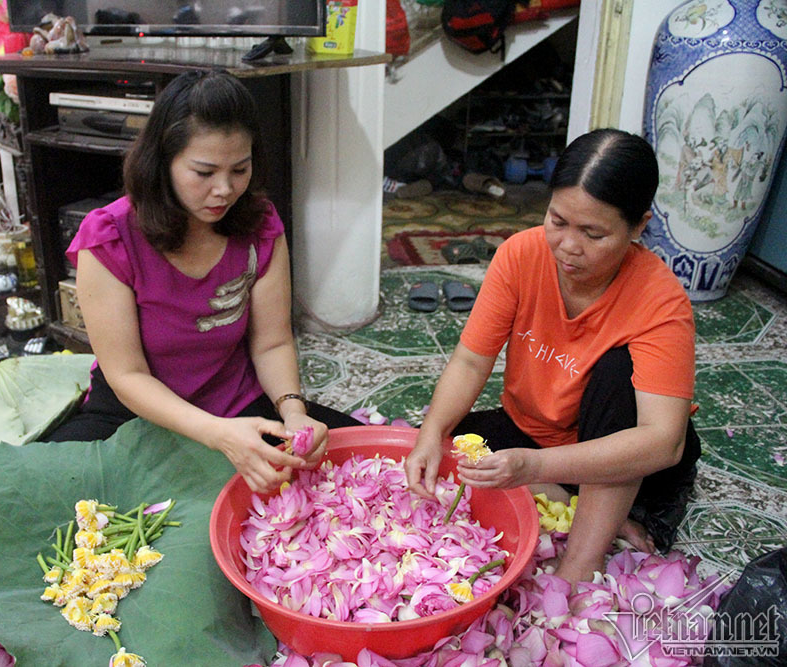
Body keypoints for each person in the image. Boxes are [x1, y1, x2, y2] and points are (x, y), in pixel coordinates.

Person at [405, 128, 700, 585]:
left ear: (639, 227)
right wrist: (431, 432)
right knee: (447, 443)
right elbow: (469, 362)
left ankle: (582, 559)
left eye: (593, 233)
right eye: (558, 221)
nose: (568, 246)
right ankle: (580, 500)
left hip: (618, 445)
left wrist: (534, 466)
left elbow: (664, 442)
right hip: (533, 432)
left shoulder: (659, 300)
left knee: (617, 370)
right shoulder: (521, 255)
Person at [47, 69, 359, 492]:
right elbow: (128, 375)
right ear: (164, 161)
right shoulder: (110, 237)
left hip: (237, 404)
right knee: (51, 493)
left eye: (240, 169)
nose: (225, 190)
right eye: (204, 172)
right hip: (135, 411)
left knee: (359, 465)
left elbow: (272, 342)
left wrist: (293, 411)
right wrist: (217, 435)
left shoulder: (259, 224)